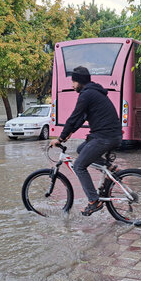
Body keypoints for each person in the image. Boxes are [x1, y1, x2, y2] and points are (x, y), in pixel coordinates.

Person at [49, 66, 122, 216]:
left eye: (73, 82)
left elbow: (74, 117)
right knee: (81, 149)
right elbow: (81, 118)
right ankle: (110, 168)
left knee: (79, 166)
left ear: (80, 81)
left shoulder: (86, 95)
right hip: (110, 135)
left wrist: (60, 138)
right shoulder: (94, 93)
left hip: (105, 137)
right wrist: (69, 133)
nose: (72, 85)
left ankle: (94, 201)